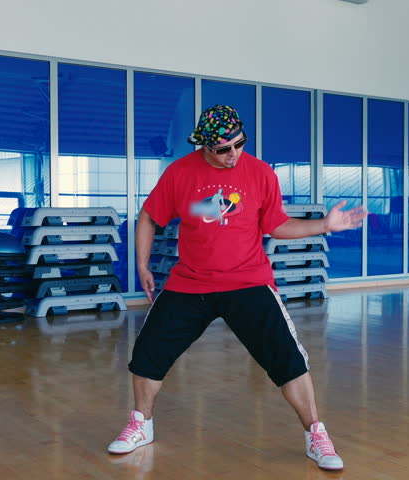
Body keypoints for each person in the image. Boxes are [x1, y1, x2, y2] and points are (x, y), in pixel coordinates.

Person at [107, 105, 367, 471]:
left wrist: (324, 225)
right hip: (191, 281)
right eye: (223, 149)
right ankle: (141, 423)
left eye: (239, 145)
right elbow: (150, 215)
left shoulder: (260, 173)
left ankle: (315, 434)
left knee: (288, 359)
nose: (233, 155)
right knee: (149, 351)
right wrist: (141, 265)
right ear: (204, 146)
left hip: (249, 280)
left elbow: (276, 225)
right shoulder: (180, 173)